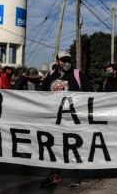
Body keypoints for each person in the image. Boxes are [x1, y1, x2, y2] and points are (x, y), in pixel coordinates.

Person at [40, 50, 94, 187]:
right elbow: (41, 94)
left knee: (73, 146)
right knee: (54, 146)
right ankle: (54, 174)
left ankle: (75, 174)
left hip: (72, 120)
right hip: (54, 120)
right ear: (57, 61)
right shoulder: (51, 75)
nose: (66, 63)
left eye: (68, 60)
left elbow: (90, 92)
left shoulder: (77, 75)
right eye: (63, 60)